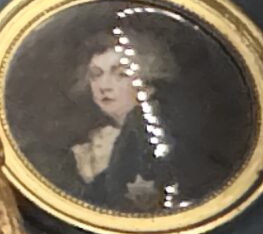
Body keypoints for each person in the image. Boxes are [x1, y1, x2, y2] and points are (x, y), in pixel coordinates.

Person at [61, 24, 205, 212]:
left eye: (121, 74)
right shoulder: (87, 145)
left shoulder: (160, 138)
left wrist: (102, 175)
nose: (104, 86)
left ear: (148, 82)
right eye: (96, 75)